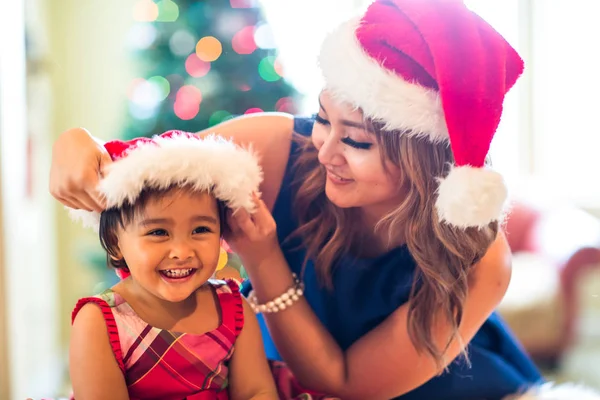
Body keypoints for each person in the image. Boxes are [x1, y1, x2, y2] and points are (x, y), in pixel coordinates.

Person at [51, 1, 600, 399]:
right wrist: (80, 146)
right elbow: (141, 171)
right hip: (270, 376)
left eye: (357, 140)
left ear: (424, 159)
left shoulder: (480, 261)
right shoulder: (275, 147)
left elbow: (347, 383)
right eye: (321, 118)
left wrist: (264, 260)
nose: (324, 150)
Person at [67, 131, 278, 399]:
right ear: (115, 241)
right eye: (158, 232)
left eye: (201, 229)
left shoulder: (233, 306)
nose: (181, 252)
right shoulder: (99, 321)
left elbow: (256, 391)